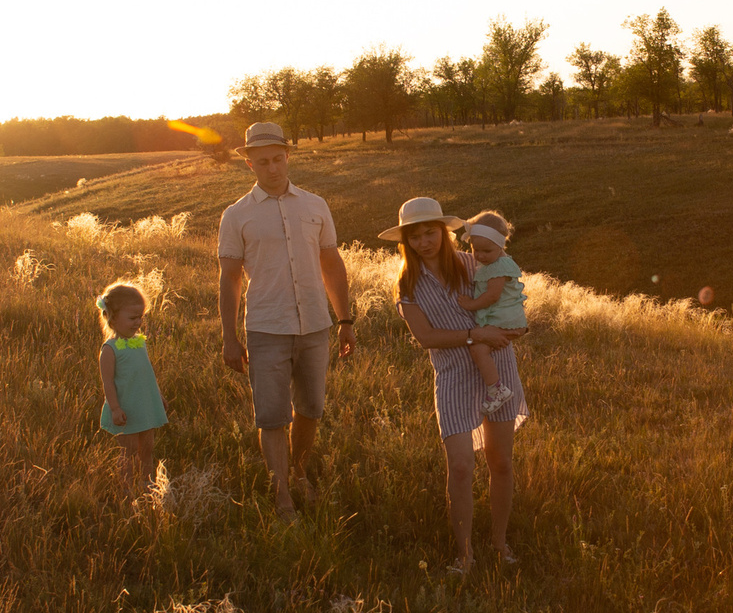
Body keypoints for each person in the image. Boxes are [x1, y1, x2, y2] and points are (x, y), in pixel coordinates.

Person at [216, 121, 355, 515]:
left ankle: (299, 471)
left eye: (278, 159)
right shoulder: (236, 215)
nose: (273, 168)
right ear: (249, 164)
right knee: (273, 414)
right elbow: (229, 280)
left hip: (315, 324)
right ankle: (281, 494)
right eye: (263, 162)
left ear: (288, 157)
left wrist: (345, 321)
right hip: (266, 326)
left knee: (310, 407)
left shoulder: (315, 205)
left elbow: (332, 264)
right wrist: (229, 337)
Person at [384, 196, 525, 573]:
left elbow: (509, 291)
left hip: (497, 368)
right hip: (452, 376)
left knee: (501, 462)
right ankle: (465, 556)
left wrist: (512, 327)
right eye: (414, 237)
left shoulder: (471, 262)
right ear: (406, 242)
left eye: (430, 232)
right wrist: (472, 334)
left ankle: (499, 545)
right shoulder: (407, 284)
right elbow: (426, 337)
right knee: (460, 466)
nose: (424, 242)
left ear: (445, 232)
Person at [94, 279, 166, 499]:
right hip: (126, 408)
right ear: (113, 318)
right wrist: (115, 409)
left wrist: (159, 396)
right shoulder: (110, 349)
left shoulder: (139, 342)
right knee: (129, 450)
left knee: (147, 447)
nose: (138, 322)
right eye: (133, 318)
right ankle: (126, 488)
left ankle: (147, 483)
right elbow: (107, 382)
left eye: (141, 317)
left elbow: (147, 373)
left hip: (145, 404)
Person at [453, 210, 529, 414]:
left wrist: (470, 304)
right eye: (474, 249)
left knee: (478, 348)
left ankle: (496, 389)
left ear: (500, 246)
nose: (479, 256)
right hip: (504, 319)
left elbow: (492, 296)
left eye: (486, 250)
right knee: (480, 348)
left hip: (507, 320)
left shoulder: (499, 266)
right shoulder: (492, 262)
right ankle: (495, 387)